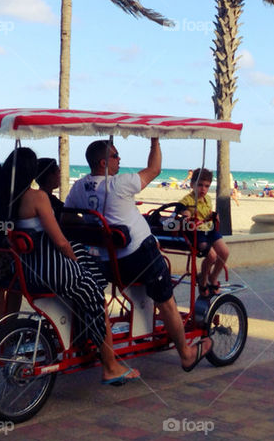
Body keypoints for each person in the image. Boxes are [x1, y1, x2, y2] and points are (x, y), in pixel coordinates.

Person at [0, 147, 137, 385]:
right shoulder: (37, 198)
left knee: (88, 269)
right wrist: (75, 263)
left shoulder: (0, 197)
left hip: (22, 269)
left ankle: (82, 334)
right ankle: (111, 366)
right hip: (49, 270)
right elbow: (61, 242)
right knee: (96, 295)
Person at [65, 138, 212, 372]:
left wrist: (96, 227)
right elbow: (154, 169)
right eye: (115, 155)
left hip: (106, 260)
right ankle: (186, 353)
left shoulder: (79, 187)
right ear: (103, 162)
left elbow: (69, 216)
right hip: (138, 255)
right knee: (167, 301)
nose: (119, 159)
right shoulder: (118, 184)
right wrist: (155, 142)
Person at [179, 168, 230, 297]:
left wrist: (212, 215)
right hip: (196, 232)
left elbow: (206, 214)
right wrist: (186, 213)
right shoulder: (188, 199)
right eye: (200, 185)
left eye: (206, 186)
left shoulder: (207, 199)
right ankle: (203, 280)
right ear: (192, 185)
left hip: (209, 230)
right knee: (212, 256)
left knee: (224, 252)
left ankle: (212, 277)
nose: (203, 189)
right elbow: (180, 207)